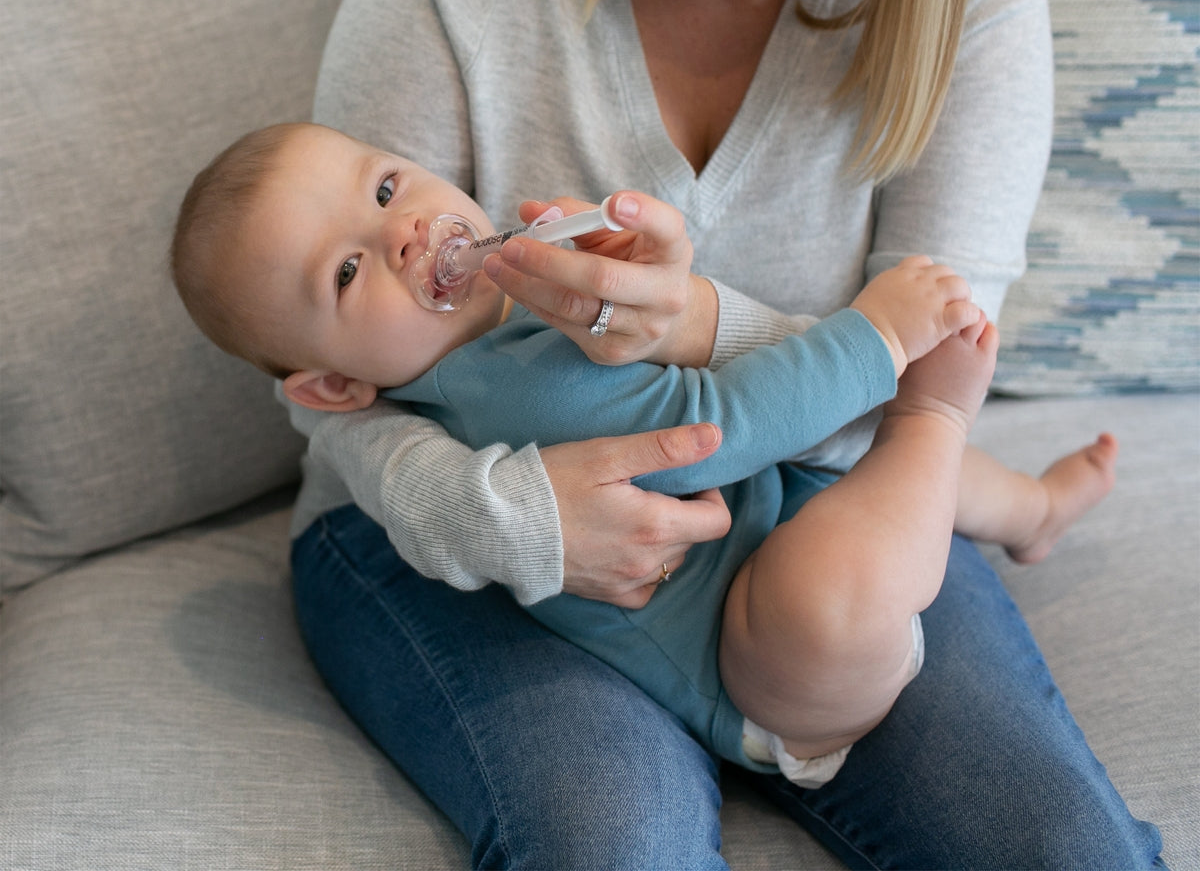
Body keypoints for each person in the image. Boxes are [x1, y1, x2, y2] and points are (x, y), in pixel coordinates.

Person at [278, 0, 1165, 865]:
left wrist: (699, 327)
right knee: (614, 844)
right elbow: (316, 369)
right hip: (441, 540)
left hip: (808, 514)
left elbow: (932, 375)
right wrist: (509, 515)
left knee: (1062, 851)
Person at [172, 120, 1118, 791]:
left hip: (783, 517)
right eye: (346, 272)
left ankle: (1029, 511)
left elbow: (706, 356)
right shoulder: (507, 392)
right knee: (842, 559)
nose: (403, 232)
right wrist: (874, 338)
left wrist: (645, 283)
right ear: (332, 389)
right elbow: (724, 423)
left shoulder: (513, 320)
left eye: (386, 189)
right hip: (765, 666)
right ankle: (939, 428)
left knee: (848, 477)